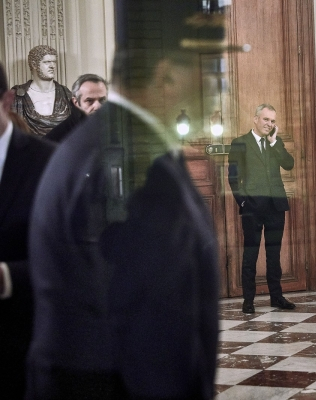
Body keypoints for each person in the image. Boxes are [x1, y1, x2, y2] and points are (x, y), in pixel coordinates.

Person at [26, 2, 222, 398]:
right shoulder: (130, 161)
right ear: (167, 73)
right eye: (208, 67)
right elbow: (153, 333)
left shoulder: (113, 142)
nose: (217, 84)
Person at [0, 62, 55, 399]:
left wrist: (7, 277)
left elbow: (74, 258)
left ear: (7, 100)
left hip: (20, 345)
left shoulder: (48, 163)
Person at [228, 104, 296, 314]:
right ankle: (248, 300)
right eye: (266, 119)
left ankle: (276, 297)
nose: (269, 124)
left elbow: (289, 164)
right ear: (255, 119)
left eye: (273, 121)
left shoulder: (275, 143)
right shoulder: (240, 143)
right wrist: (243, 202)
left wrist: (275, 142)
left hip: (276, 207)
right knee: (250, 254)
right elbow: (233, 178)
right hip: (252, 209)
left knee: (273, 255)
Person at [11, 45, 72, 136]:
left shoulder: (66, 94)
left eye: (54, 62)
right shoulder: (18, 97)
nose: (52, 66)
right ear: (34, 65)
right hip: (30, 149)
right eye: (47, 62)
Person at [46, 74, 108, 143]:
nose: (97, 106)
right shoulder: (56, 137)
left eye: (102, 100)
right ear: (76, 102)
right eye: (89, 101)